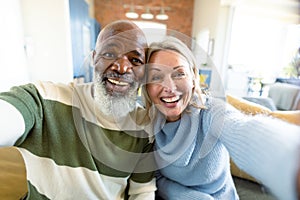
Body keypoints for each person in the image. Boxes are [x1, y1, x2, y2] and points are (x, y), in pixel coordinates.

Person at [0, 20, 156, 199]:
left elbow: (143, 191)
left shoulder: (144, 126)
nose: (121, 67)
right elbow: (9, 114)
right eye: (109, 53)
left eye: (135, 60)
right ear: (93, 59)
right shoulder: (44, 99)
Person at [141, 36, 300, 200]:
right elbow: (156, 179)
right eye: (156, 77)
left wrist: (290, 159)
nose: (169, 87)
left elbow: (242, 130)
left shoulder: (212, 111)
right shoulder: (146, 123)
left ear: (194, 79)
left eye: (179, 74)